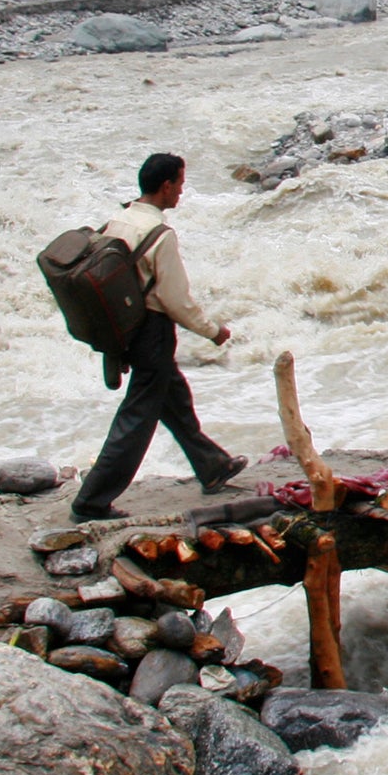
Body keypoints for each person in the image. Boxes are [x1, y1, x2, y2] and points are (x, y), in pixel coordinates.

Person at [72, 154, 246, 522]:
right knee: (137, 418)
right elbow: (175, 300)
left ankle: (213, 466)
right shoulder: (160, 236)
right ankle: (91, 501)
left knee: (174, 397)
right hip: (152, 331)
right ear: (166, 185)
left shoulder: (118, 220)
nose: (182, 191)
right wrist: (213, 331)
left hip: (127, 326)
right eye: (180, 184)